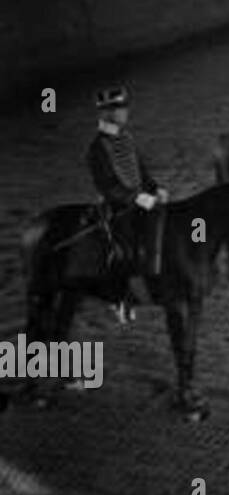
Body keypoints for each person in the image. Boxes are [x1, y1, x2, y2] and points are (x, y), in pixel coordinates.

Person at [87, 85, 168, 325]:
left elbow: (141, 171)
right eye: (118, 109)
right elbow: (107, 186)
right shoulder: (97, 147)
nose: (124, 112)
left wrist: (155, 188)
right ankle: (120, 298)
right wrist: (137, 198)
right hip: (117, 206)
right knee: (123, 250)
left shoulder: (127, 138)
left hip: (141, 200)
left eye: (123, 107)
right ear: (106, 114)